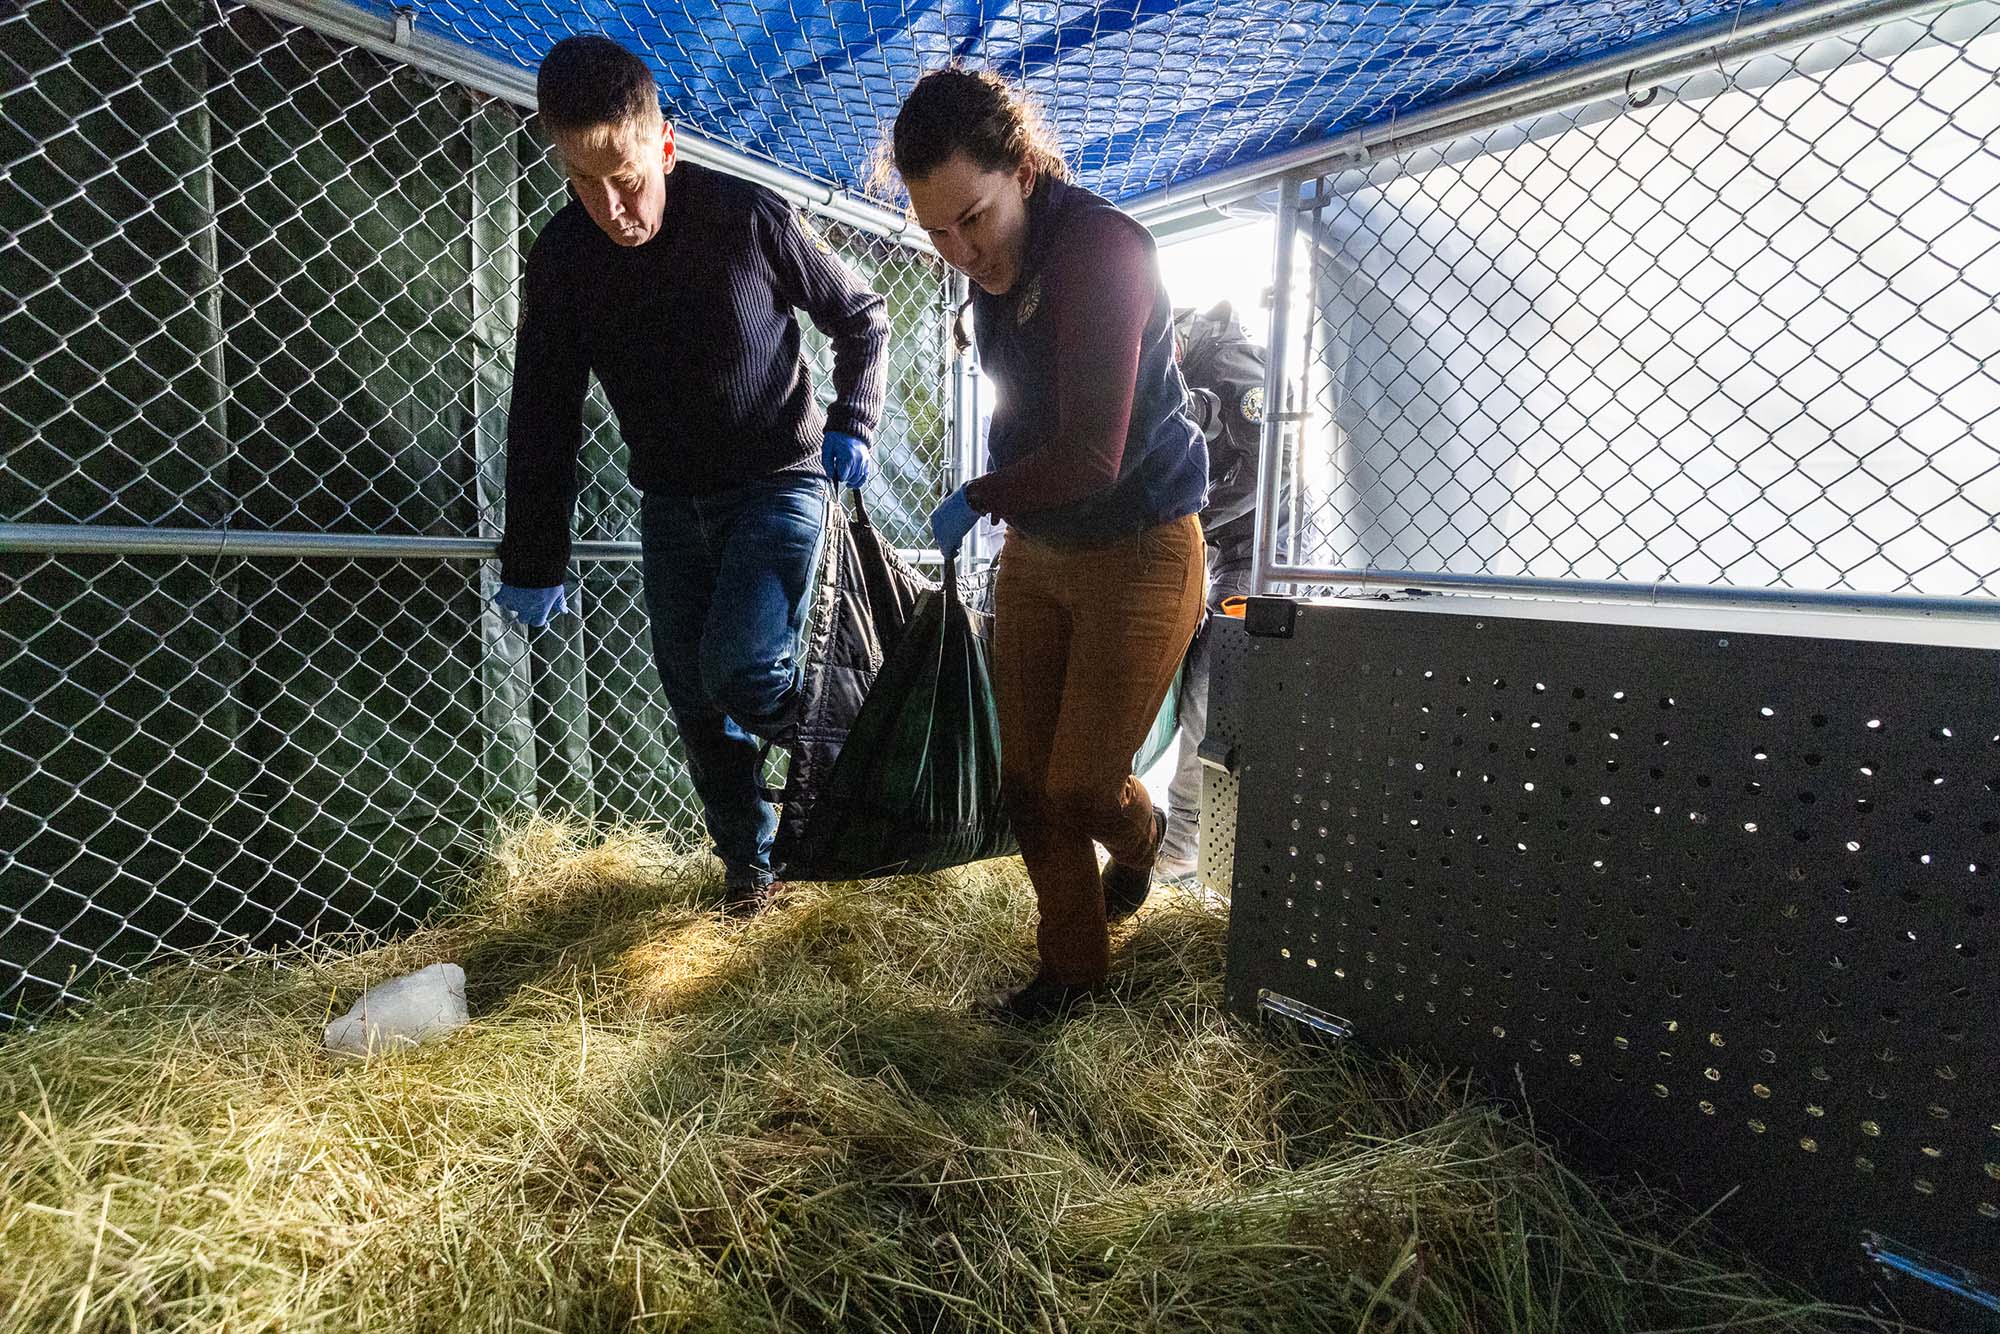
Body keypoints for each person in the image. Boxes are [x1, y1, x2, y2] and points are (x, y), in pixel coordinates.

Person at [494, 35, 888, 913]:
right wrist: (533, 553)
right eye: (581, 183)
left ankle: (865, 742)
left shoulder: (747, 215)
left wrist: (855, 416)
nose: (612, 207)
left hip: (780, 479)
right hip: (671, 500)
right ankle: (753, 870)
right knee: (693, 695)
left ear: (663, 143)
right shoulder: (562, 259)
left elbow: (862, 313)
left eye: (626, 178)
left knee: (740, 667)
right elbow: (542, 410)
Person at [886, 67, 1208, 1022]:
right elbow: (1023, 416)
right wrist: (1000, 491)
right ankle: (1071, 976)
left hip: (1140, 542)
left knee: (1080, 786)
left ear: (1023, 170)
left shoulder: (1104, 250)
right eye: (934, 231)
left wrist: (977, 494)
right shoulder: (992, 275)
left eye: (972, 219)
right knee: (1026, 782)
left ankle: (1142, 844)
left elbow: (1093, 455)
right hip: (1040, 547)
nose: (958, 250)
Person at [1156, 301, 1289, 877]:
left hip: (1260, 553)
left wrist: (1191, 522)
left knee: (1212, 688)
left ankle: (1187, 842)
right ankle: (1190, 837)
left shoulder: (1235, 366)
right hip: (1224, 548)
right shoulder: (1193, 365)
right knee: (1196, 678)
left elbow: (1271, 469)